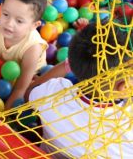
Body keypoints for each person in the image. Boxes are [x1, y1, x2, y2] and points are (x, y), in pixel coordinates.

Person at [26, 22, 133, 158]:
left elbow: (30, 92)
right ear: (123, 87)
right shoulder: (128, 123)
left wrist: (68, 65)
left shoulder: (52, 93)